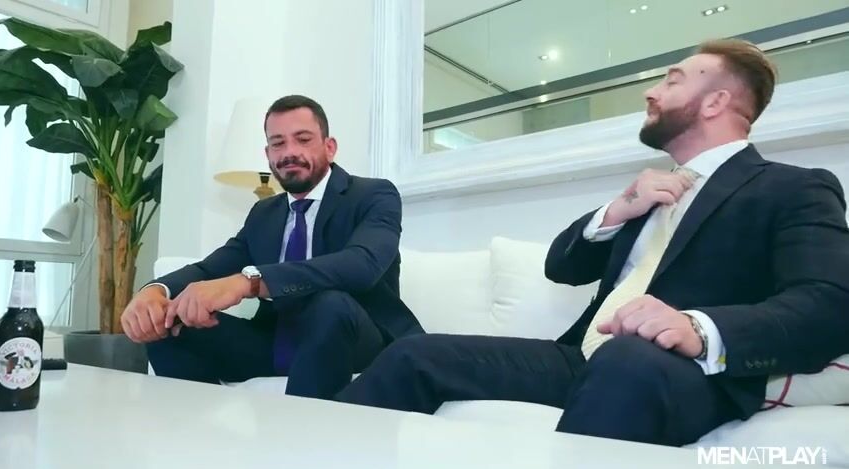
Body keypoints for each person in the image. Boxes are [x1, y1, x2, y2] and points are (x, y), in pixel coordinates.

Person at [336, 39, 849, 446]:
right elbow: (562, 267)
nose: (651, 93)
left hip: (681, 371)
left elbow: (828, 305)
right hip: (582, 357)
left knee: (626, 361)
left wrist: (696, 327)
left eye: (672, 80)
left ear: (717, 101)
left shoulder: (794, 188)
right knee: (414, 354)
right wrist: (617, 209)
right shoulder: (649, 192)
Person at [122, 95, 422, 399]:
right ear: (268, 154)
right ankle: (202, 426)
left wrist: (249, 282)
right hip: (277, 342)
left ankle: (297, 429)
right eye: (278, 143)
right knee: (170, 322)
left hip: (356, 341)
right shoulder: (264, 213)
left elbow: (362, 265)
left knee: (331, 305)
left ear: (329, 147)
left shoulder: (373, 195)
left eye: (303, 139)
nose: (290, 152)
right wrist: (155, 291)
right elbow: (209, 268)